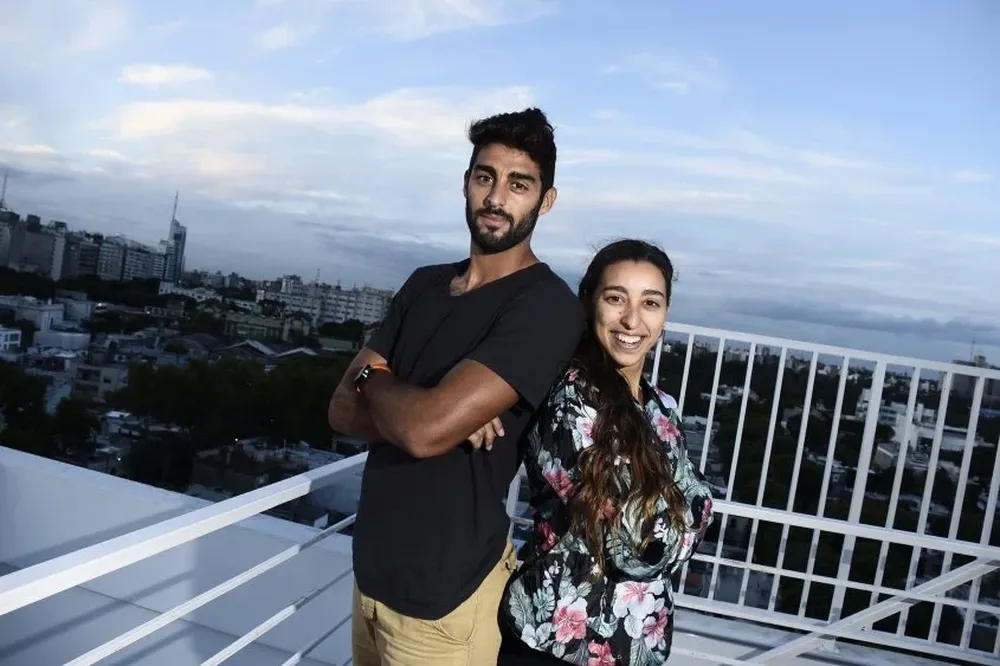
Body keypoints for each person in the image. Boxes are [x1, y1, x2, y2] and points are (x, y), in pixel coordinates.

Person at [328, 107, 584, 666]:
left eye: (519, 184)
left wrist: (388, 385)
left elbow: (421, 432)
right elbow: (342, 408)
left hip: (445, 607)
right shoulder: (423, 284)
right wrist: (404, 392)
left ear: (546, 201)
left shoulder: (545, 307)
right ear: (466, 183)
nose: (496, 197)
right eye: (484, 177)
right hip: (370, 585)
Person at [497, 239, 715, 665]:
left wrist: (680, 512)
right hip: (556, 644)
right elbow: (636, 543)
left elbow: (697, 506)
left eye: (650, 303)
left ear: (665, 313)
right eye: (616, 298)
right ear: (588, 301)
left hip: (635, 647)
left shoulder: (661, 407)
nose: (632, 320)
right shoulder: (569, 400)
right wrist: (684, 511)